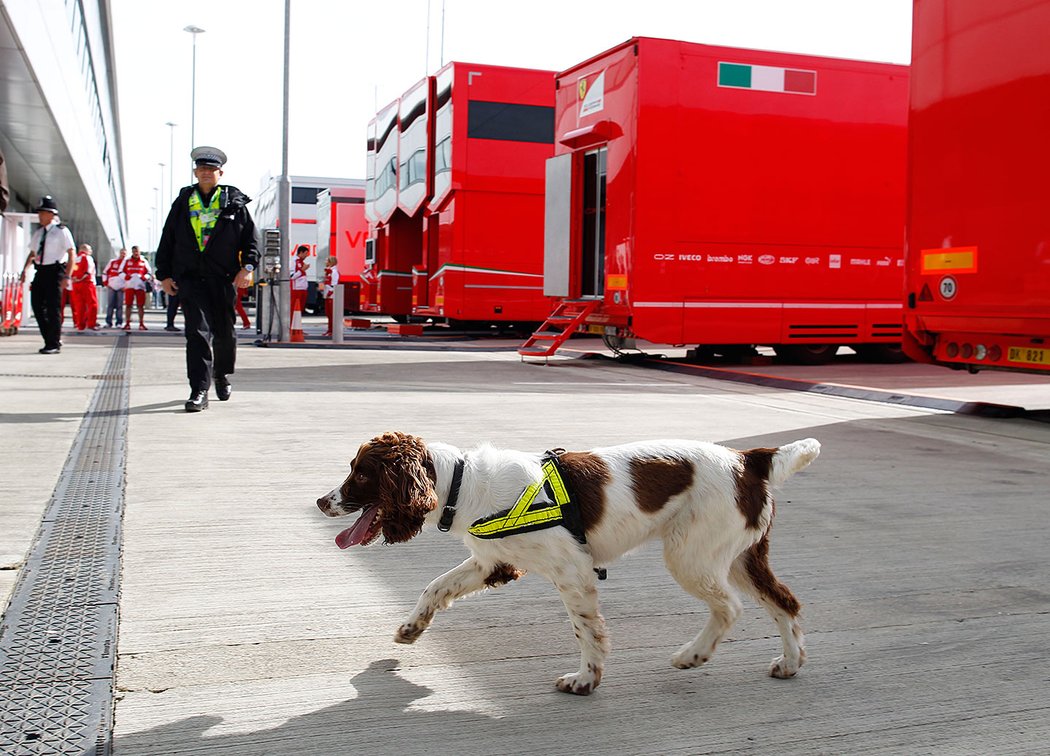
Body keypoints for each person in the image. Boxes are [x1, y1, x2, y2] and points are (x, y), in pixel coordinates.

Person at [155, 146, 259, 412]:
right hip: (190, 278)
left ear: (220, 173)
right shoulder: (183, 202)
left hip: (223, 278)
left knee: (225, 333)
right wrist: (163, 274)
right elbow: (168, 239)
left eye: (211, 170)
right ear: (195, 172)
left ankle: (221, 375)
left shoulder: (234, 202)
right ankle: (198, 389)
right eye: (201, 169)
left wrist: (247, 267)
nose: (206, 173)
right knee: (197, 333)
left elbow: (251, 239)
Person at [19, 196, 75, 354]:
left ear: (51, 214)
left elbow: (72, 253)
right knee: (36, 306)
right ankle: (50, 338)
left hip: (55, 272)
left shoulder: (61, 231)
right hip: (41, 271)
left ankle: (53, 343)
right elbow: (32, 253)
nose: (40, 216)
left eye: (43, 213)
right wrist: (25, 270)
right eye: (39, 213)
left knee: (52, 308)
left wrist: (67, 276)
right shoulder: (39, 233)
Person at [122, 245, 152, 330]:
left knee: (140, 305)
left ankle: (141, 323)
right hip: (129, 286)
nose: (136, 253)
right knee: (128, 305)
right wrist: (126, 277)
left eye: (137, 251)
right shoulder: (127, 261)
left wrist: (144, 277)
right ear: (132, 252)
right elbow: (120, 271)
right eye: (134, 251)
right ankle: (127, 323)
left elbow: (149, 272)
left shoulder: (143, 261)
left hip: (140, 286)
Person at [71, 243, 100, 331]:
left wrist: (75, 278)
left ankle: (80, 325)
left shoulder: (75, 258)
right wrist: (80, 278)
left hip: (76, 284)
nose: (91, 251)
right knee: (92, 304)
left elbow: (73, 270)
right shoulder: (87, 258)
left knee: (79, 305)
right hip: (87, 283)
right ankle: (91, 324)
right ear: (85, 250)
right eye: (90, 249)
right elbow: (88, 271)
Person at [102, 248, 127, 327]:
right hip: (112, 286)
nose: (123, 255)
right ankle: (108, 322)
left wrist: (126, 286)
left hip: (121, 287)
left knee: (120, 306)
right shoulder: (112, 262)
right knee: (110, 305)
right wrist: (106, 283)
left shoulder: (127, 263)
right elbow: (105, 272)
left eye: (124, 253)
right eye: (122, 253)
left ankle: (119, 322)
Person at [290, 244, 310, 318]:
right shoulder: (294, 261)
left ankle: (297, 326)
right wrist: (302, 270)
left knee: (300, 309)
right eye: (305, 254)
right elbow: (292, 276)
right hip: (296, 289)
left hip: (303, 289)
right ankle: (292, 327)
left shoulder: (301, 262)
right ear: (300, 252)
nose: (306, 256)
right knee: (294, 308)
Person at [321, 254, 339, 336]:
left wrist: (329, 293)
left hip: (331, 296)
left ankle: (332, 330)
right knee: (328, 314)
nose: (325, 262)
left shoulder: (334, 272)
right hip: (327, 295)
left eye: (327, 260)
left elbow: (334, 284)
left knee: (331, 314)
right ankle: (329, 329)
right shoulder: (329, 272)